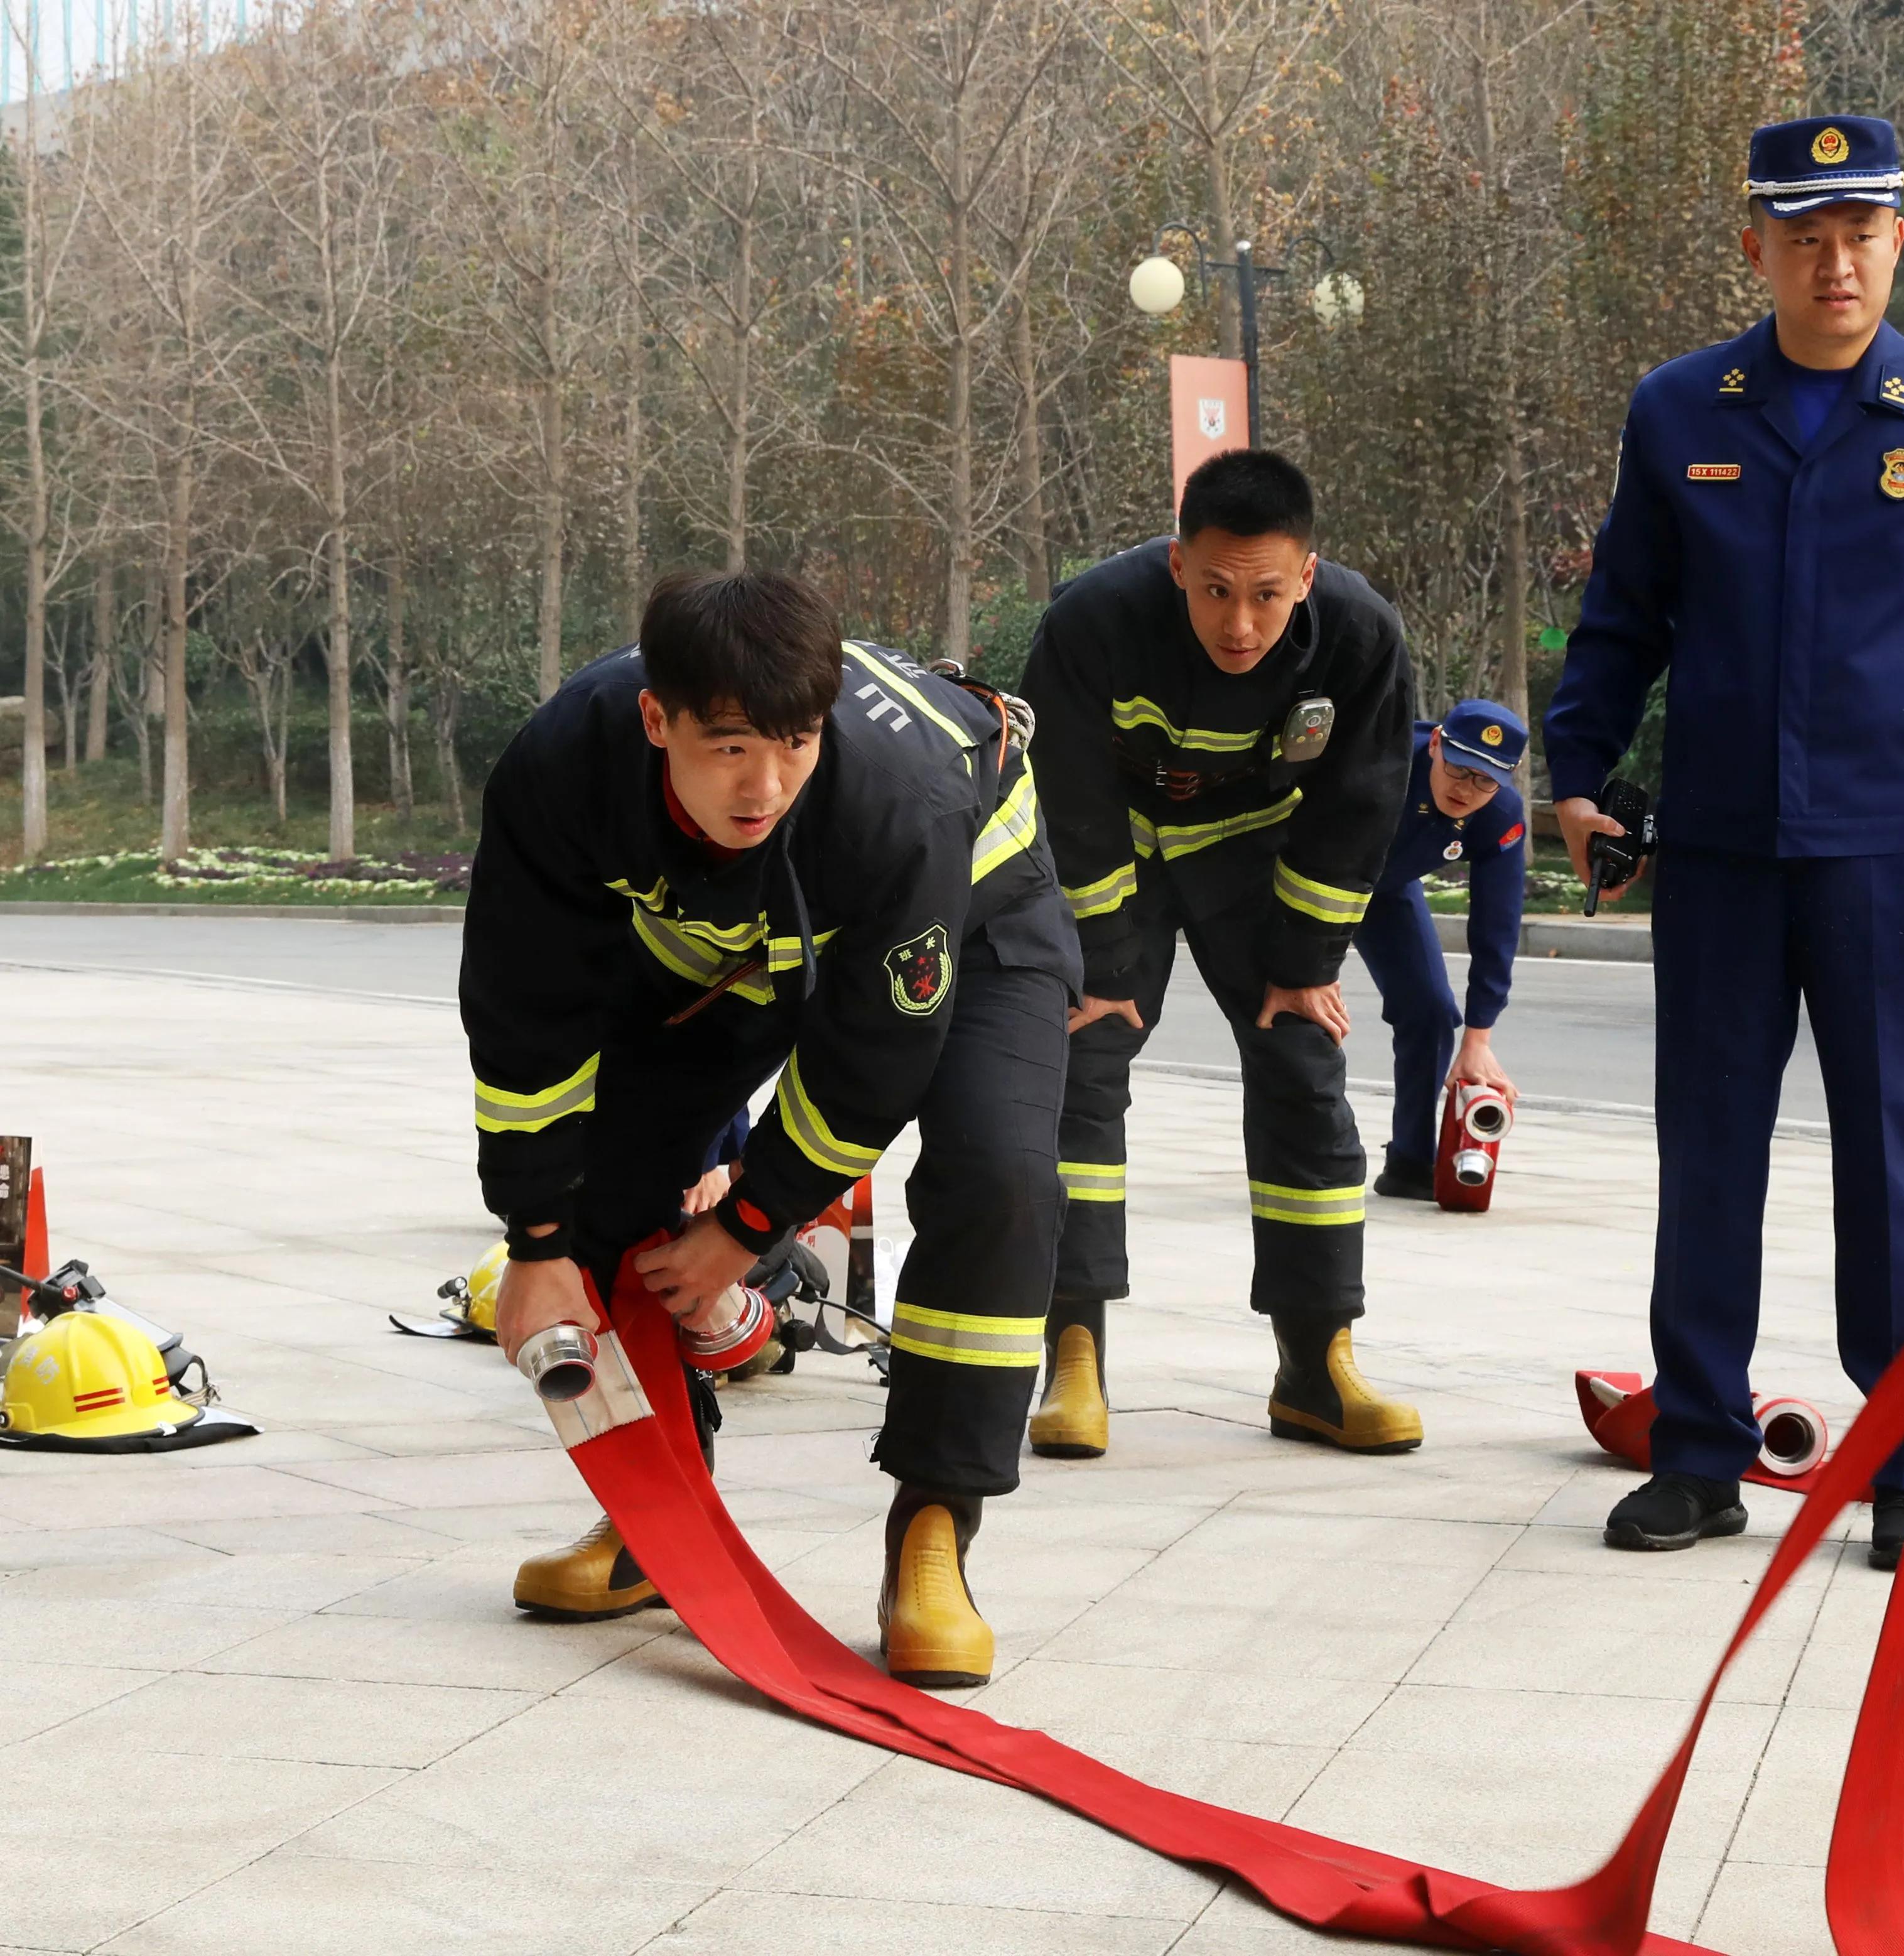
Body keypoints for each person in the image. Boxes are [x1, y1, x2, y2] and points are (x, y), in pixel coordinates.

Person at [1542, 114, 1904, 1570]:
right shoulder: (1681, 410)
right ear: (1756, 246)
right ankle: (1699, 1447)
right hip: (1715, 846)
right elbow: (1623, 613)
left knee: (1894, 1162)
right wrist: (1577, 767)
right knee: (1706, 1150)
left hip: (1888, 850)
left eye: (1860, 233)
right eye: (1803, 235)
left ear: (1898, 239)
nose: (1834, 262)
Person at [467, 569, 1078, 1690]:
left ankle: (933, 1532)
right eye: (730, 746)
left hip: (972, 909)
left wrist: (746, 1224)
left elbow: (872, 1060)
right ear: (658, 718)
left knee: (1001, 1178)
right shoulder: (560, 769)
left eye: (794, 742)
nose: (765, 783)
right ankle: (658, 1513)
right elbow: (527, 1018)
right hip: (724, 932)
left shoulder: (896, 799)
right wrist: (538, 1239)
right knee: (601, 1179)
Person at [1022, 448, 1423, 1462]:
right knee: (1081, 1063)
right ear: (1175, 564)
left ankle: (1316, 1361)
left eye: (1266, 594)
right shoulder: (1089, 620)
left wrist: (1306, 959)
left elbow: (1359, 802)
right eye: (1213, 590)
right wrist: (1105, 965)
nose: (1238, 624)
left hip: (1254, 852)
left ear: (1309, 573)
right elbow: (1064, 794)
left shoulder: (1364, 633)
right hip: (1115, 848)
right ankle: (1073, 1355)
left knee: (1302, 1062)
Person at [1356, 698, 1528, 1200]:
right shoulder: (1381, 764)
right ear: (1435, 744)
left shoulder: (1500, 813)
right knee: (1295, 1010)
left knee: (1431, 1012)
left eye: (1485, 780)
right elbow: (1320, 851)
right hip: (1305, 877)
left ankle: (1411, 1161)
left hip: (1387, 889)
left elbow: (1497, 925)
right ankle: (1294, 1154)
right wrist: (1313, 968)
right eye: (1458, 768)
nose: (1465, 789)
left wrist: (1479, 1038)